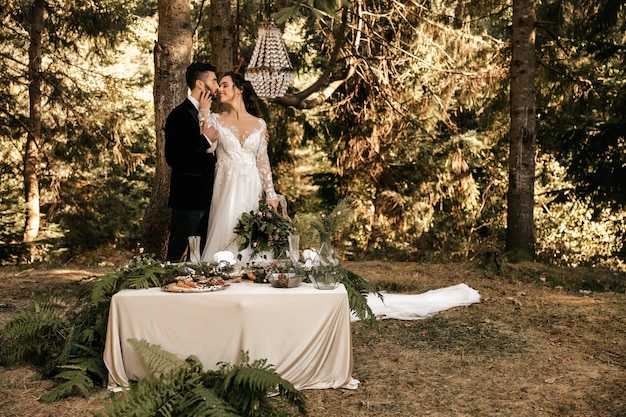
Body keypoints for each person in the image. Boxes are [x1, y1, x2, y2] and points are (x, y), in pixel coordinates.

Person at [200, 71, 279, 263]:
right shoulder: (215, 119)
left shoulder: (259, 124)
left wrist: (271, 194)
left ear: (240, 89)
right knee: (227, 229)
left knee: (253, 233)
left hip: (253, 185)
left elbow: (262, 161)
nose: (219, 89)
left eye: (225, 85)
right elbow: (209, 148)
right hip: (226, 185)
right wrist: (203, 113)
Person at [164, 62, 219, 262]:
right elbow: (174, 157)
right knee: (177, 253)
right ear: (200, 84)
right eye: (213, 80)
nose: (217, 86)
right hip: (188, 198)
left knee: (200, 256)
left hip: (210, 198)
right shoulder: (179, 115)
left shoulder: (211, 115)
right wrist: (204, 140)